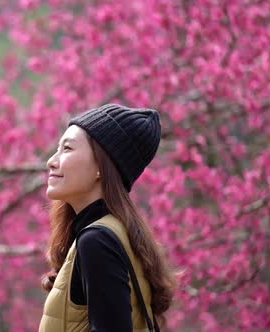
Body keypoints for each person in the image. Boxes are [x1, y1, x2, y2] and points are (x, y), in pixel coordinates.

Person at [38, 103, 178, 332]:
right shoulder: (117, 232)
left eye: (68, 149)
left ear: (101, 167)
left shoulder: (97, 241)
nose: (51, 161)